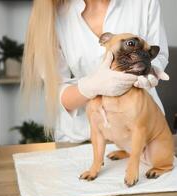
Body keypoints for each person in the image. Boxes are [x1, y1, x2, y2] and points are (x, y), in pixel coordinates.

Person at [21, 0, 169, 143]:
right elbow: (58, 90)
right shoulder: (53, 16)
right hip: (83, 137)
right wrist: (90, 87)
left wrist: (151, 69)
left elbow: (157, 53)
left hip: (142, 132)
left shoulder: (145, 3)